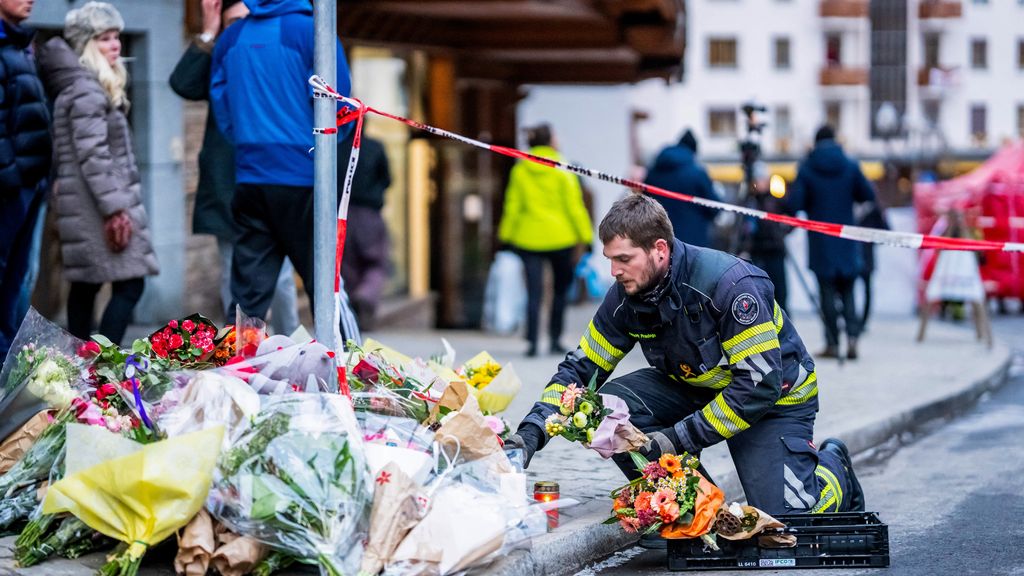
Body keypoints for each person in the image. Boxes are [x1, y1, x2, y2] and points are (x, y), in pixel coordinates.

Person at [504, 193, 864, 523]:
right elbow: (580, 371)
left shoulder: (730, 286)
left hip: (773, 400)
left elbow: (757, 388)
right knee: (605, 410)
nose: (613, 271)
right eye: (610, 260)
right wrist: (531, 432)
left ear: (660, 249)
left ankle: (836, 471)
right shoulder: (626, 295)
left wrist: (675, 439)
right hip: (699, 389)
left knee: (787, 519)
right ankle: (693, 511)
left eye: (624, 259)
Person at [210, 0, 359, 343]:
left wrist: (249, 144)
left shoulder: (232, 38)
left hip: (251, 175)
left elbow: (222, 105)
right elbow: (340, 102)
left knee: (245, 300)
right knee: (327, 287)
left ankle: (234, 381)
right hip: (304, 177)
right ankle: (352, 373)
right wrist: (322, 150)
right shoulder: (312, 31)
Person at [169, 0, 299, 335]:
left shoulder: (267, 57)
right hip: (227, 184)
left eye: (247, 20)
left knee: (282, 279)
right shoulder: (225, 56)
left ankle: (292, 346)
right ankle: (241, 351)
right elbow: (183, 83)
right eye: (233, 23)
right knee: (233, 274)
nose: (242, 28)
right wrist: (210, 32)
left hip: (271, 178)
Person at [37, 2, 159, 344]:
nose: (115, 45)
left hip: (90, 206)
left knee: (87, 286)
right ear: (87, 46)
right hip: (98, 210)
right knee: (130, 285)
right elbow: (94, 155)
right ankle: (105, 361)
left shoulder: (84, 89)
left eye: (117, 36)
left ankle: (85, 364)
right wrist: (116, 209)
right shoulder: (87, 93)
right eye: (104, 38)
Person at [497, 123, 593, 357]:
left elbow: (513, 206)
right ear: (551, 140)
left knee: (533, 291)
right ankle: (554, 338)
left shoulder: (520, 170)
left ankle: (531, 342)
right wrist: (587, 237)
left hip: (528, 239)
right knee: (560, 291)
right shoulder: (563, 167)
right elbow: (574, 206)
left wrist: (505, 236)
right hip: (562, 238)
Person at [787, 126, 876, 360]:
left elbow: (795, 203)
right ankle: (853, 338)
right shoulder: (850, 164)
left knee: (826, 293)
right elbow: (867, 194)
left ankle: (833, 343)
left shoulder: (807, 168)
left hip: (820, 242)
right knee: (848, 292)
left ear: (815, 142)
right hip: (846, 239)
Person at [0, 0, 51, 365]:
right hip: (11, 189)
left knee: (14, 284)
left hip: (29, 186)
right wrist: (12, 176)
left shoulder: (19, 44)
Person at [339, 127, 391, 331]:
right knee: (376, 263)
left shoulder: (333, 145)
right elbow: (387, 179)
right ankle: (366, 294)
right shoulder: (374, 147)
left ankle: (352, 305)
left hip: (340, 212)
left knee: (345, 264)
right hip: (369, 213)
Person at [644, 129, 721, 248]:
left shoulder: (653, 172)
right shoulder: (697, 173)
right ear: (693, 150)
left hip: (660, 242)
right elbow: (715, 207)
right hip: (692, 245)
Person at [742, 162, 791, 311]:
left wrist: (782, 232)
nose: (760, 183)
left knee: (780, 292)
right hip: (756, 251)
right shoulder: (749, 201)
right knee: (757, 292)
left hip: (775, 249)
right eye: (757, 179)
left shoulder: (775, 199)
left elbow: (790, 218)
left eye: (763, 179)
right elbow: (742, 227)